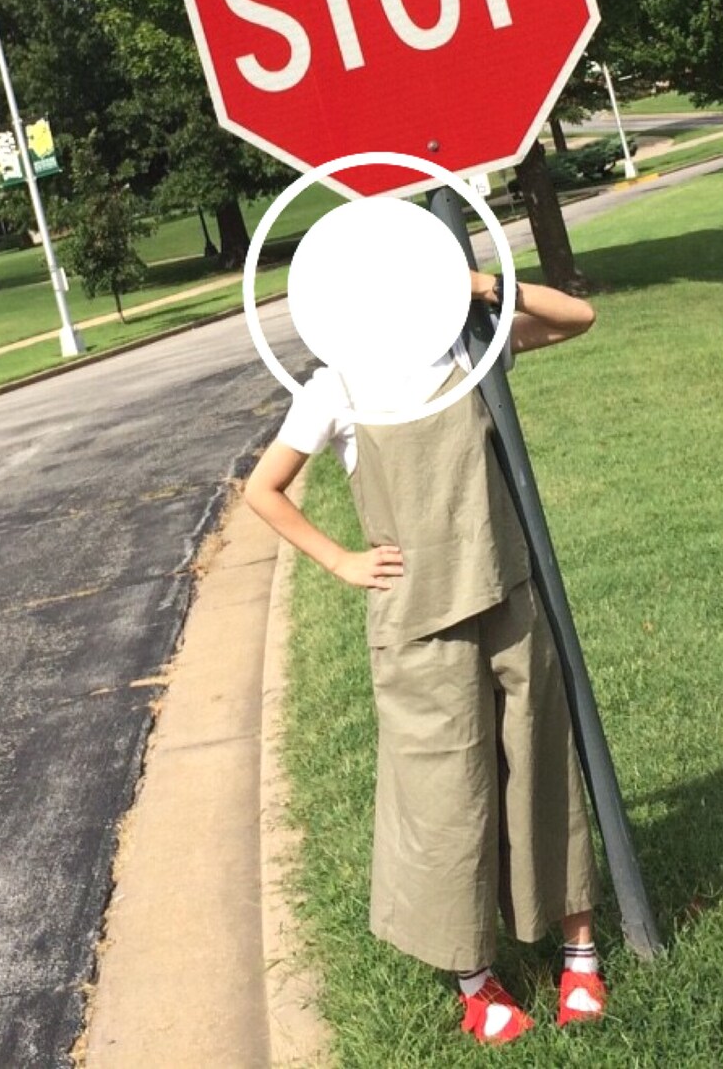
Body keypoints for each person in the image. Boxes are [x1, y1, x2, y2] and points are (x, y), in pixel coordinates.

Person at [245, 268, 607, 1045]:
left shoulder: (465, 353)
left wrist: (491, 286)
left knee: (541, 763)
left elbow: (577, 316)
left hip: (508, 598)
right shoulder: (335, 388)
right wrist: (342, 561)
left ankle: (579, 951)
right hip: (416, 629)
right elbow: (262, 489)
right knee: (446, 796)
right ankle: (475, 978)